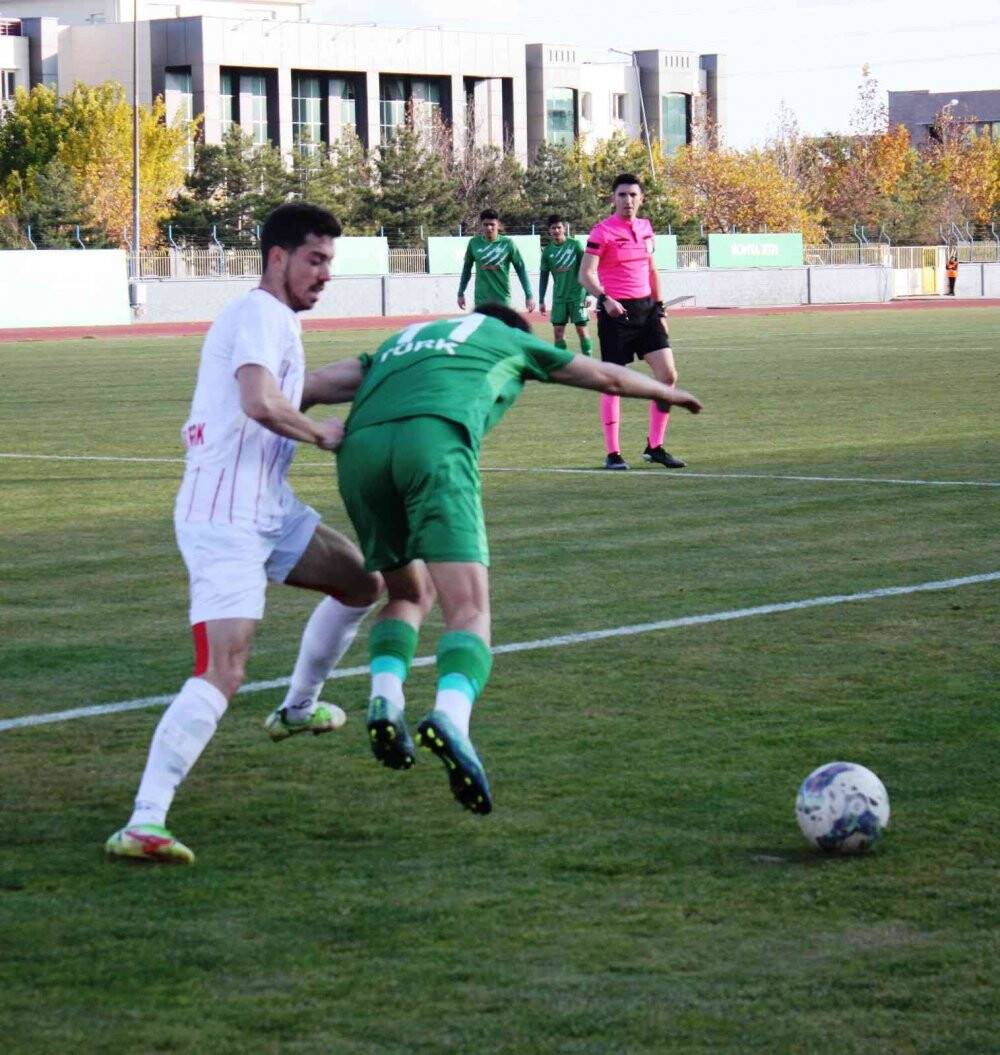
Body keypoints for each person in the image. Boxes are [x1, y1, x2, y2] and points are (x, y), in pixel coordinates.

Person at [303, 304, 703, 816]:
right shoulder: (507, 338)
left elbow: (314, 384)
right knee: (468, 610)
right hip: (433, 441)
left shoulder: (405, 339)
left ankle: (385, 696)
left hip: (358, 455)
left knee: (407, 592)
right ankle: (450, 717)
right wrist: (666, 391)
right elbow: (606, 376)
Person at [105, 203, 382, 865]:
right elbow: (263, 400)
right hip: (223, 515)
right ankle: (144, 820)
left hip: (266, 506)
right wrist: (322, 434)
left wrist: (394, 362)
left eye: (330, 263)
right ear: (278, 256)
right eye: (315, 260)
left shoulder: (276, 320)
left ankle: (297, 707)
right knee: (224, 668)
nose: (324, 275)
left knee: (360, 579)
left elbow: (307, 385)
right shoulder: (259, 311)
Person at [579, 173, 686, 471]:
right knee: (613, 383)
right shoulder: (602, 232)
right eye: (622, 195)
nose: (628, 200)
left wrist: (660, 309)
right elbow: (584, 274)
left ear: (641, 199)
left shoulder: (646, 229)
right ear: (613, 199)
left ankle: (655, 446)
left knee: (668, 376)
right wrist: (605, 299)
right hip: (617, 314)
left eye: (633, 195)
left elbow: (652, 271)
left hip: (647, 311)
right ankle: (613, 453)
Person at [457, 209, 536, 313]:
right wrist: (461, 293)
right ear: (481, 225)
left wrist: (529, 295)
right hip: (481, 299)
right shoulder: (474, 243)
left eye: (492, 224)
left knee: (501, 329)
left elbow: (521, 270)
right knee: (484, 329)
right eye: (485, 224)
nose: (489, 228)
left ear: (498, 224)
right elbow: (466, 270)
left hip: (502, 298)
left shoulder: (508, 244)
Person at [538, 214, 593, 356]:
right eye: (553, 228)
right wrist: (541, 299)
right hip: (559, 298)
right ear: (549, 231)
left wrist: (587, 294)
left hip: (577, 297)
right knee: (558, 333)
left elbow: (586, 269)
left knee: (582, 331)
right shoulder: (547, 252)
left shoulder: (575, 245)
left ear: (564, 228)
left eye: (559, 227)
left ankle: (589, 363)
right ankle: (562, 366)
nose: (556, 230)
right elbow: (543, 277)